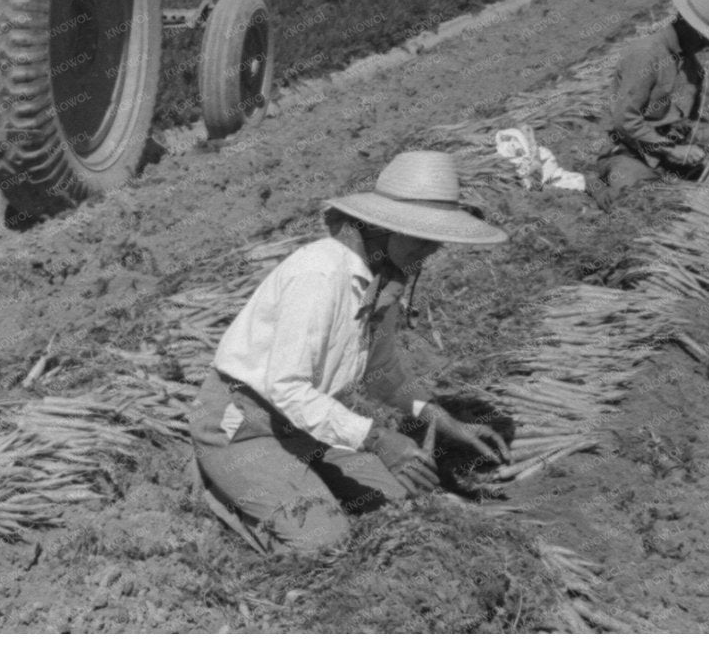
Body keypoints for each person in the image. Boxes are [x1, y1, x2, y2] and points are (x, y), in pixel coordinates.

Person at [190, 151, 512, 554]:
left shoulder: (384, 278)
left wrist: (442, 420)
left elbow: (384, 370)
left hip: (307, 428)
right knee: (324, 540)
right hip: (244, 428)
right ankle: (221, 485)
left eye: (437, 240)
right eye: (422, 238)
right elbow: (287, 388)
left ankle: (294, 476)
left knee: (400, 499)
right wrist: (377, 440)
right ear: (382, 227)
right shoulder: (321, 275)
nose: (431, 251)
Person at [590, 0, 709, 199]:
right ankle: (591, 186)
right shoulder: (645, 55)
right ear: (686, 24)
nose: (708, 45)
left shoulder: (694, 70)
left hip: (668, 157)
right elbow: (625, 119)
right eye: (705, 37)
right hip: (628, 153)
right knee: (638, 197)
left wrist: (704, 146)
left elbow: (689, 123)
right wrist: (670, 149)